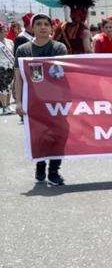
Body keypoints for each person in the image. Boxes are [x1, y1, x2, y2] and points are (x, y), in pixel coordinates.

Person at [13, 15, 69, 186]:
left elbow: (64, 74)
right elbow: (19, 77)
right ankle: (40, 164)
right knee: (39, 135)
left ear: (52, 28)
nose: (43, 27)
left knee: (59, 134)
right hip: (33, 102)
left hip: (56, 100)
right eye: (38, 24)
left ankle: (54, 170)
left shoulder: (59, 48)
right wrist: (18, 102)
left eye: (46, 24)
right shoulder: (23, 50)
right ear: (32, 28)